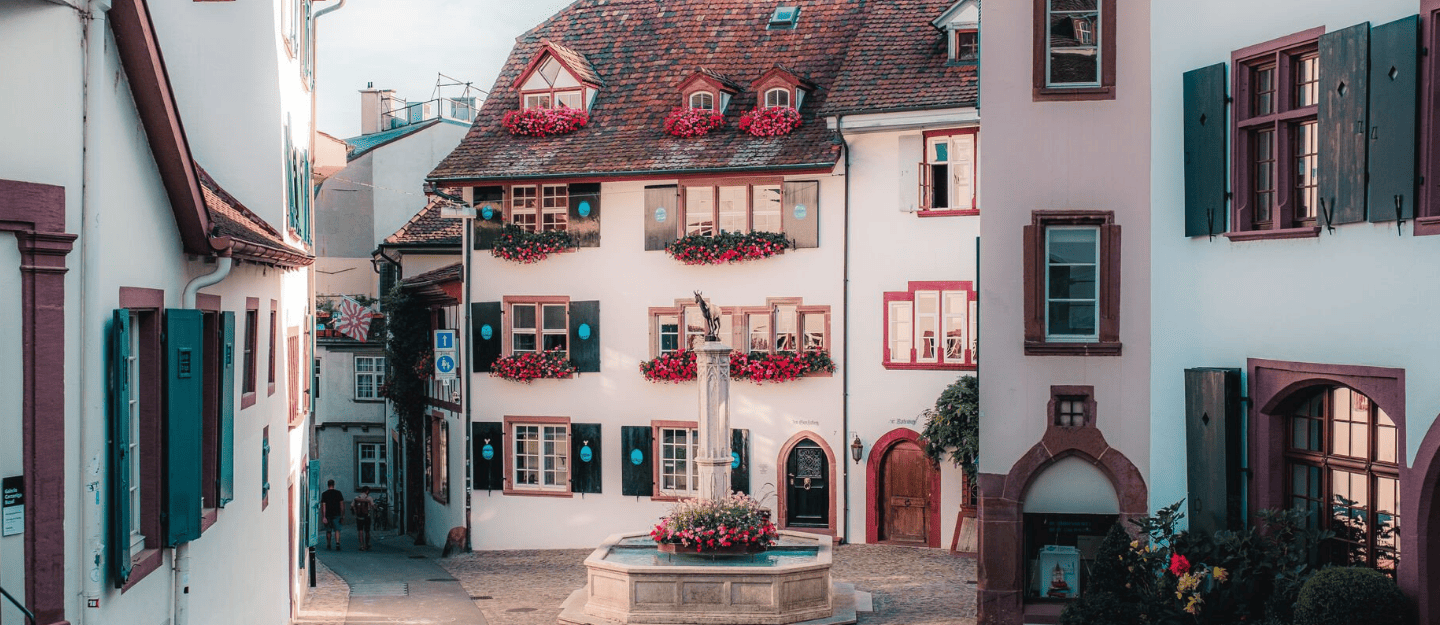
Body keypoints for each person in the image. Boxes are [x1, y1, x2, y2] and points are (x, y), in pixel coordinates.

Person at [320, 480, 345, 550]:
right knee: (337, 530)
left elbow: (323, 506)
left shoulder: (324, 494)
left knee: (328, 530)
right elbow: (342, 505)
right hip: (336, 514)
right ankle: (337, 543)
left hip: (328, 514)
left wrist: (324, 516)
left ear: (328, 485)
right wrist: (342, 515)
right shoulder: (338, 493)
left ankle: (328, 544)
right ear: (334, 485)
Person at [352, 486, 375, 551]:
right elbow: (373, 505)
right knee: (367, 531)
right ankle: (367, 544)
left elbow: (352, 506)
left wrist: (355, 512)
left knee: (360, 531)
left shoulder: (357, 498)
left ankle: (361, 545)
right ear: (367, 491)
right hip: (367, 516)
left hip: (359, 516)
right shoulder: (369, 498)